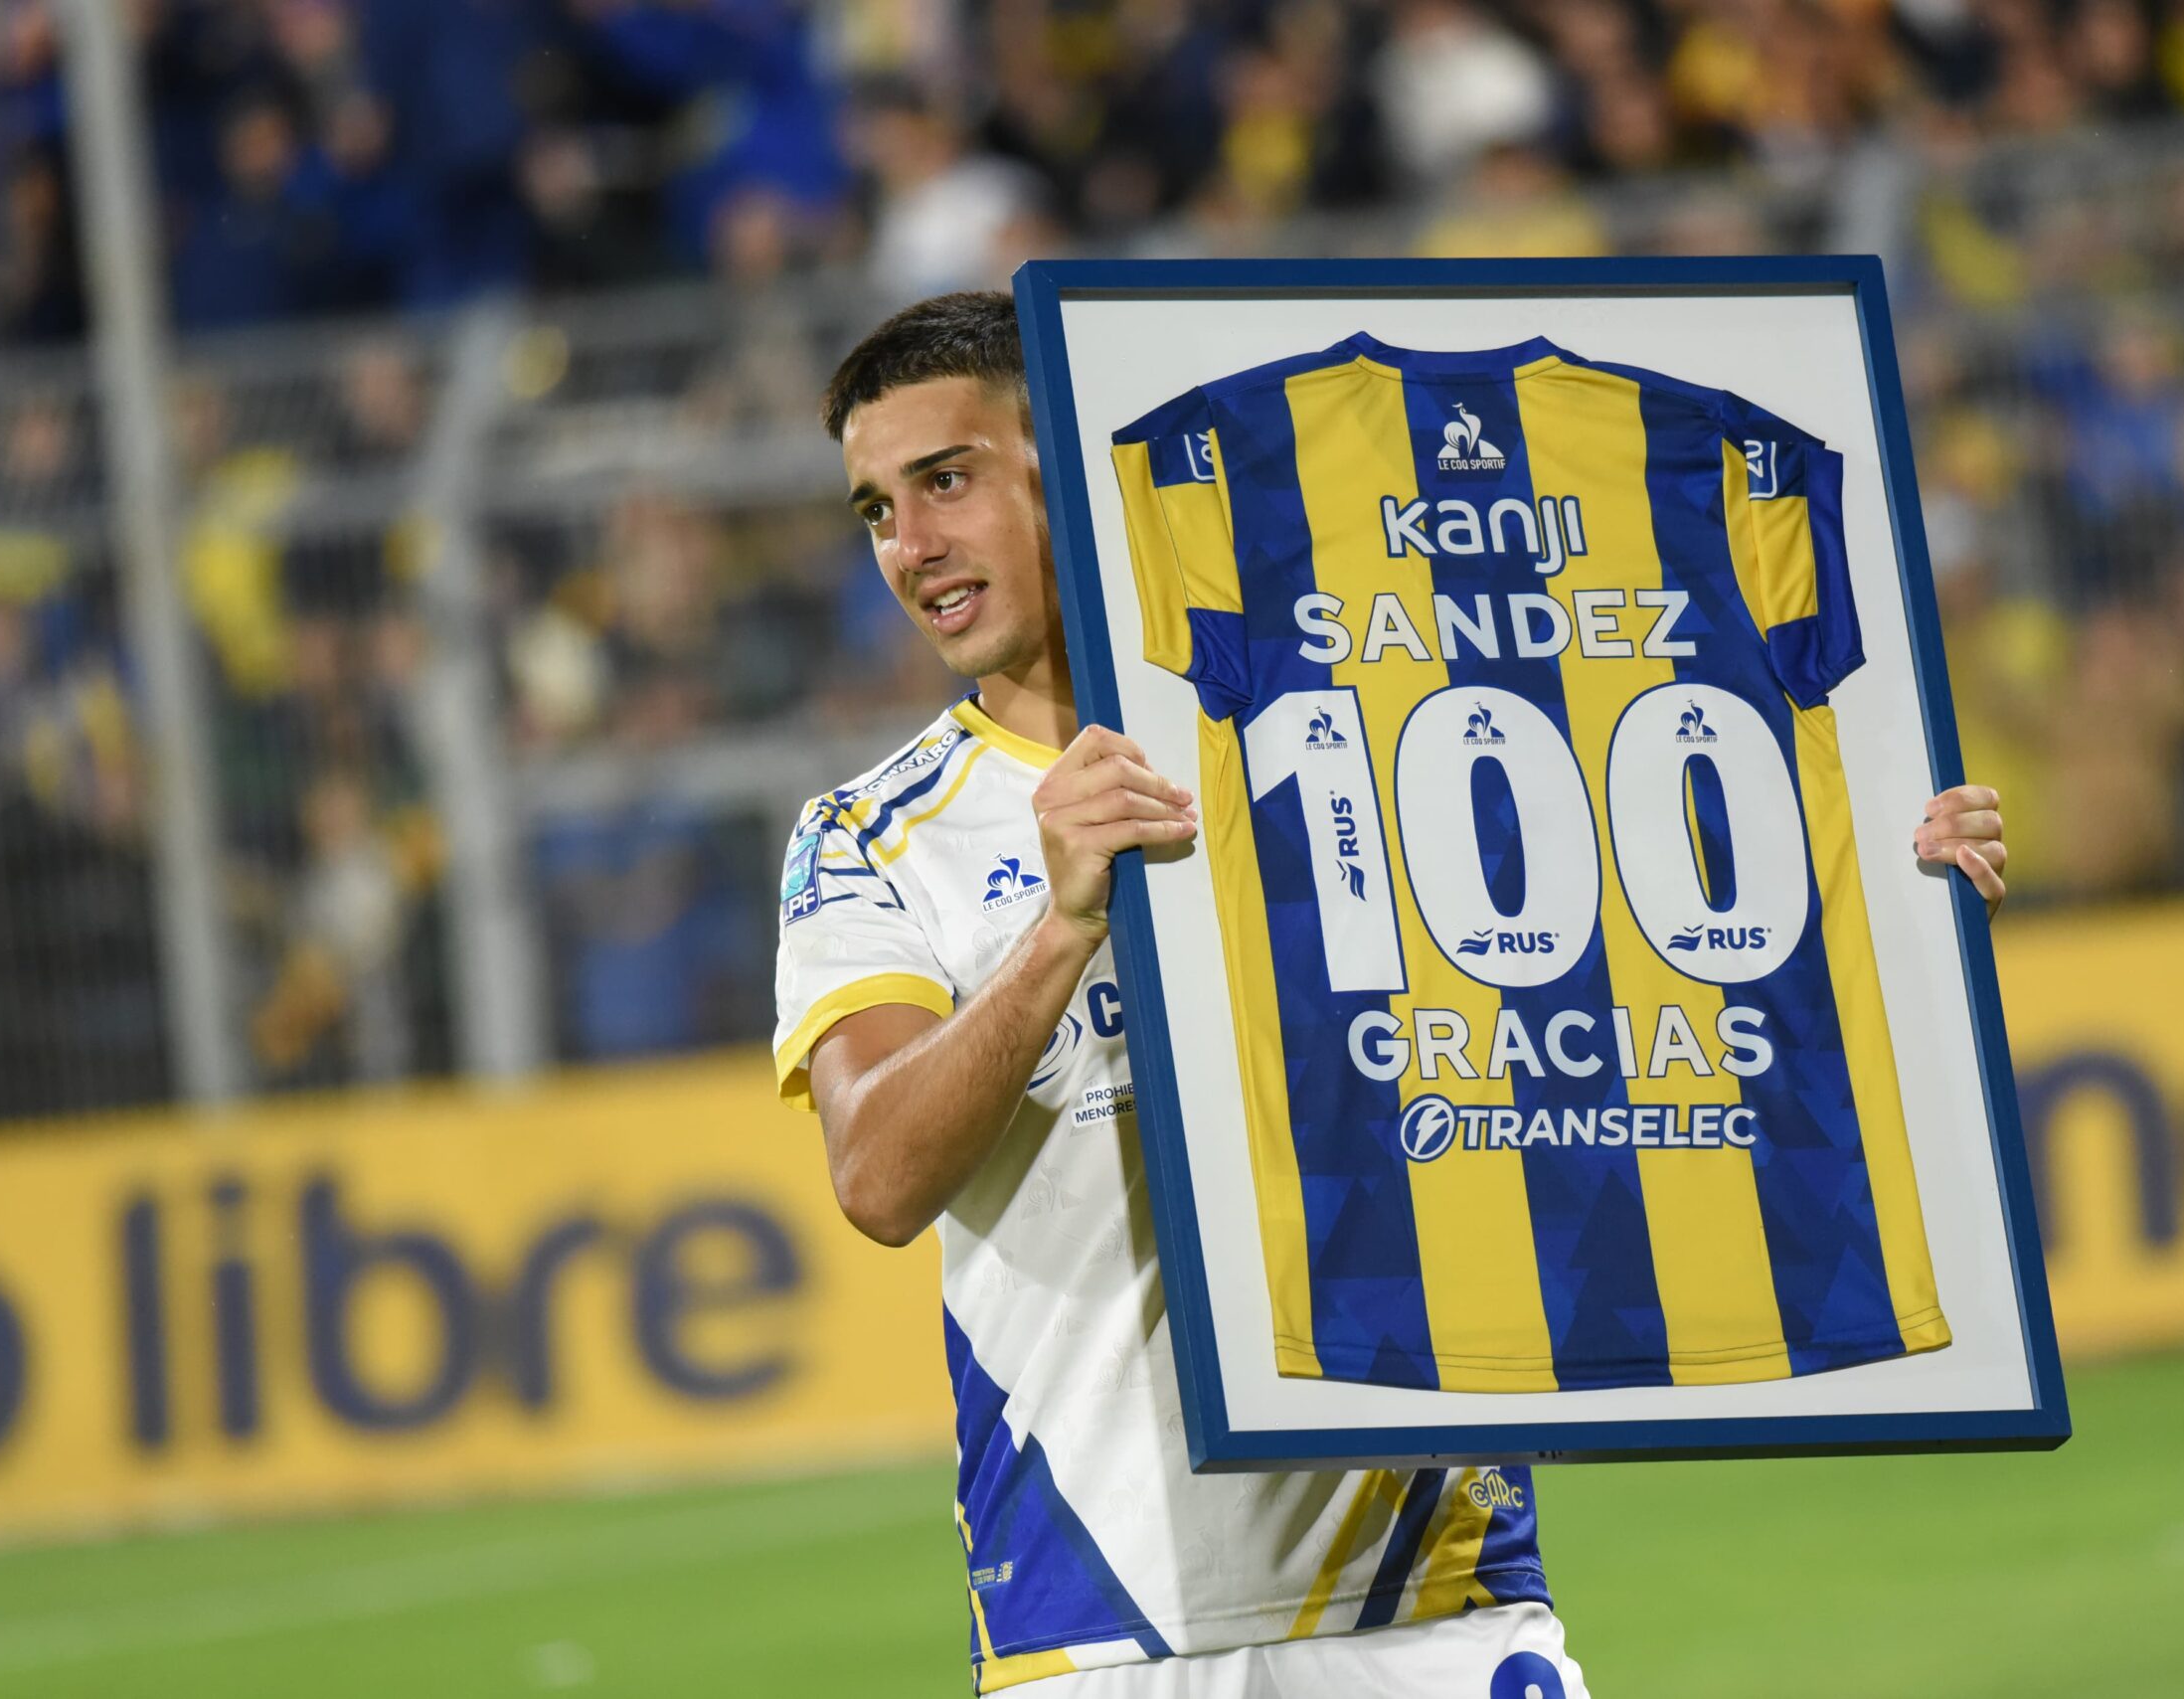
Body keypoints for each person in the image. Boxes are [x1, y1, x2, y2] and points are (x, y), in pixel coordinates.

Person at [773, 290, 2010, 1697]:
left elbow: (1651, 963)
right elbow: (877, 1175)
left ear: (1063, 460)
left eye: (946, 480)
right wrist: (1060, 933)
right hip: (1103, 1623)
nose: (910, 545)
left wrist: (1891, 898)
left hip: (1437, 1595)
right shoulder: (870, 834)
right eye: (876, 509)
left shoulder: (1374, 727)